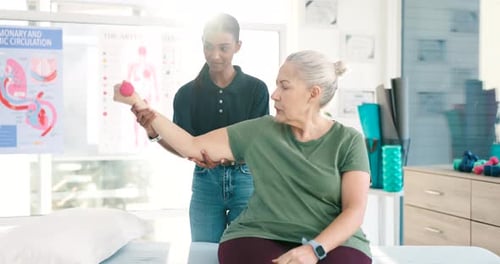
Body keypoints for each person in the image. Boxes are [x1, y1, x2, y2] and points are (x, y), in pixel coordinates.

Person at [116, 49, 372, 264]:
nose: (274, 94)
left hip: (329, 239)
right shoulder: (260, 130)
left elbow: (354, 210)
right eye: (276, 85)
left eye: (284, 86)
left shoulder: (347, 140)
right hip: (261, 233)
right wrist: (140, 105)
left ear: (313, 93)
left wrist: (313, 249)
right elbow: (191, 146)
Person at [133, 13, 269, 243]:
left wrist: (223, 156)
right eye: (209, 46)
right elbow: (182, 144)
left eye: (224, 48)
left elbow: (257, 142)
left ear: (238, 46)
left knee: (242, 252)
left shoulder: (257, 89)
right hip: (206, 181)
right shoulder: (187, 94)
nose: (215, 55)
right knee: (202, 253)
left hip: (246, 179)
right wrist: (152, 132)